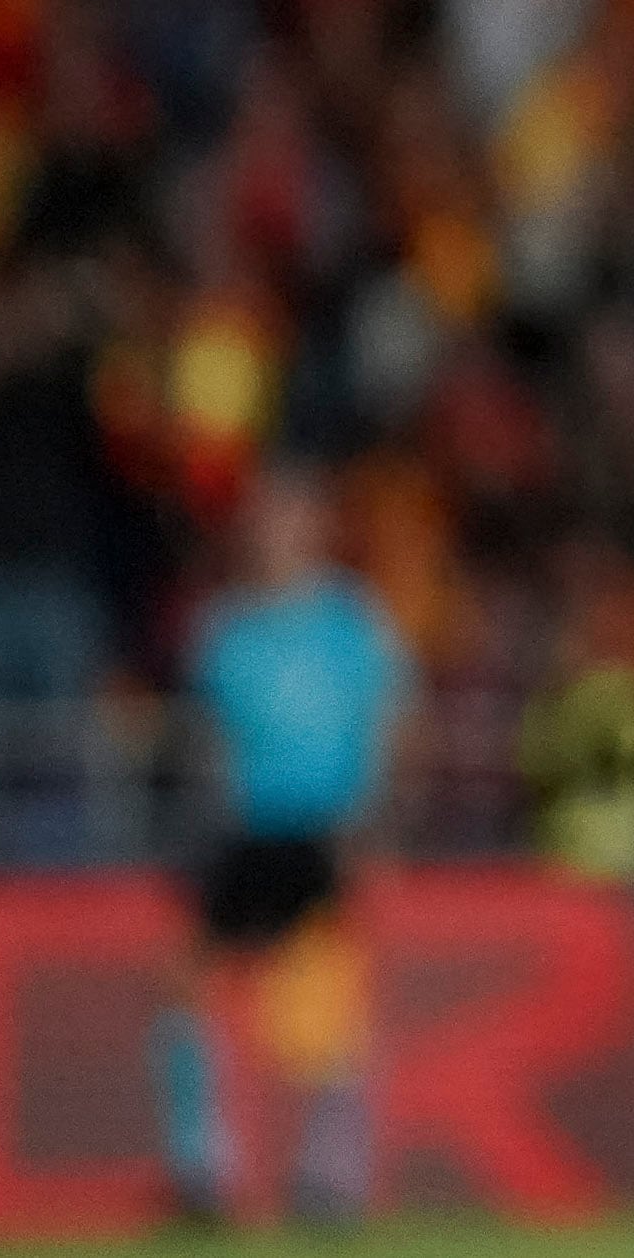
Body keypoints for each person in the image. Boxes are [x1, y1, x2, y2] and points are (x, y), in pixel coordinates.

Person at [161, 459, 411, 1225]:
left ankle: (329, 1179)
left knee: (321, 1008)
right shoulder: (225, 630)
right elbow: (207, 742)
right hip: (244, 833)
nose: (274, 531)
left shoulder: (350, 623)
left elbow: (392, 724)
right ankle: (201, 1169)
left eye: (289, 515)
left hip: (320, 832)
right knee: (184, 991)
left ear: (314, 529)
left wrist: (370, 822)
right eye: (265, 517)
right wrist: (201, 829)